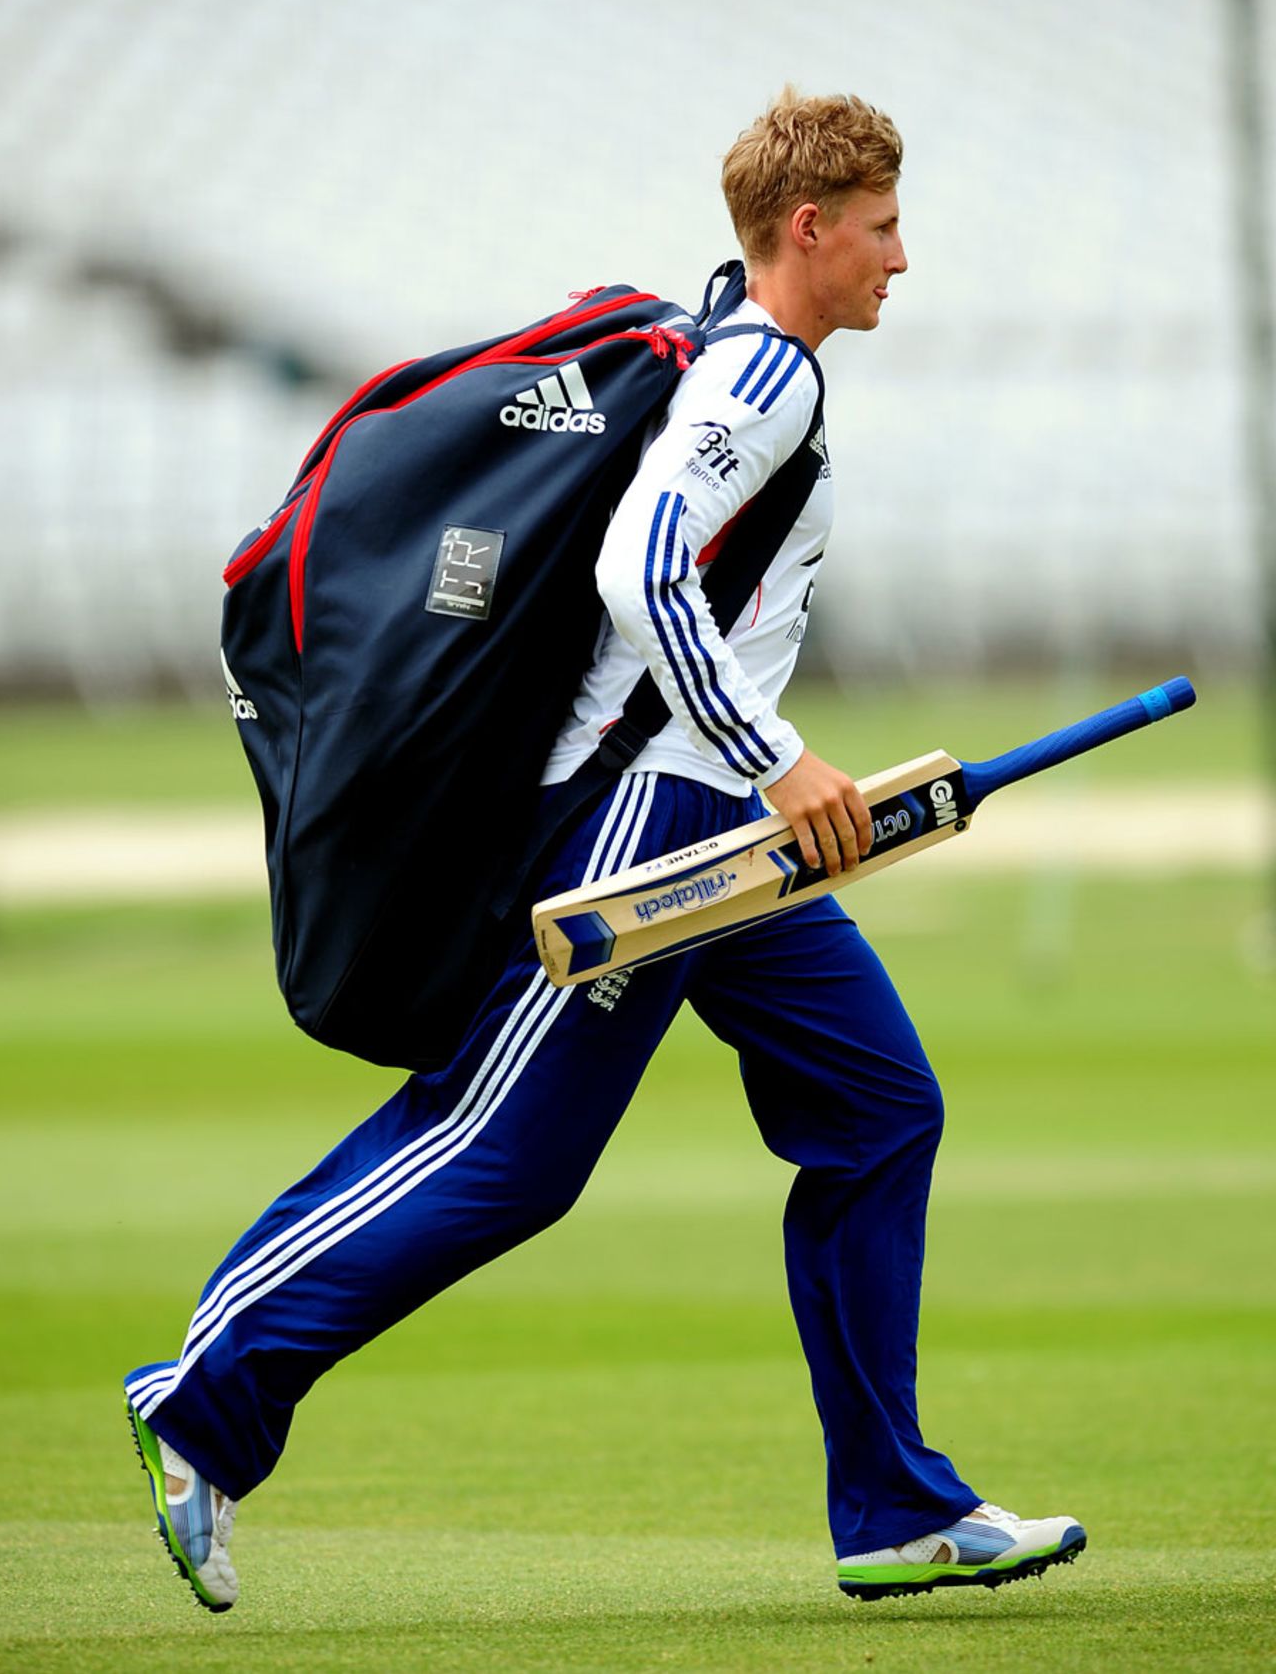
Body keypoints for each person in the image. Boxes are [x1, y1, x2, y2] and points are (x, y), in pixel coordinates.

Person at [124, 87, 1085, 1612]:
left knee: (880, 1111)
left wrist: (758, 776)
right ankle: (203, 1401)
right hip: (654, 822)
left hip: (718, 825)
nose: (905, 260)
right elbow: (642, 567)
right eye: (887, 230)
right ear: (811, 229)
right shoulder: (759, 375)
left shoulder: (745, 355)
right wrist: (781, 763)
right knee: (499, 1157)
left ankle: (893, 1504)